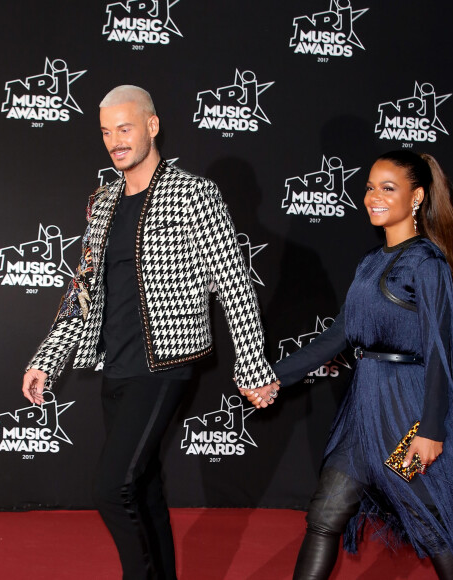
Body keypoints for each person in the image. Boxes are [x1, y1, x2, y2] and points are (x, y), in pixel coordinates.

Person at [21, 85, 276, 579]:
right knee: (143, 488)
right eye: (106, 132)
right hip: (115, 366)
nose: (115, 141)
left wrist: (251, 364)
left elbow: (233, 283)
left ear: (151, 126)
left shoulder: (194, 193)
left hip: (166, 366)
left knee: (111, 487)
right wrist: (47, 358)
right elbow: (84, 289)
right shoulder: (102, 200)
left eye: (124, 128)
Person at [241, 151, 453, 579]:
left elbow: (441, 353)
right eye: (370, 187)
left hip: (406, 414)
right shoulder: (370, 262)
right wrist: (272, 375)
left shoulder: (426, 262)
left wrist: (431, 430)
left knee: (430, 525)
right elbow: (338, 336)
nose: (373, 197)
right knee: (325, 514)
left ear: (417, 197)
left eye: (388, 188)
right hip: (365, 412)